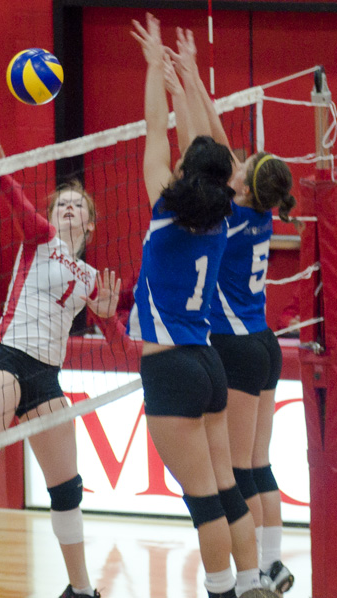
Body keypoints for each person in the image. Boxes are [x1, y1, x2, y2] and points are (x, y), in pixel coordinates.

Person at [0, 123, 119, 598]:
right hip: (8, 357)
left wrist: (111, 320)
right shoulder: (42, 240)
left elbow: (120, 347)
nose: (69, 209)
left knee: (67, 488)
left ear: (91, 224)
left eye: (79, 207)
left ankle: (81, 589)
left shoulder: (94, 278)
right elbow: (21, 207)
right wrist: (0, 168)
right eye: (62, 205)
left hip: (46, 378)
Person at [129, 15, 266, 598]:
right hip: (207, 364)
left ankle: (222, 592)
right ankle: (253, 581)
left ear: (186, 172)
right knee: (227, 486)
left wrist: (156, 69)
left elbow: (158, 134)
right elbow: (200, 145)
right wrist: (179, 78)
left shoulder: (166, 208)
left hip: (171, 368)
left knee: (204, 501)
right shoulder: (225, 216)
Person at [166, 26, 297, 594]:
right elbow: (218, 140)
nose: (236, 165)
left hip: (237, 348)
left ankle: (259, 572)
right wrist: (193, 75)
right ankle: (275, 564)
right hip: (264, 344)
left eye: (243, 168)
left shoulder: (224, 216)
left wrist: (182, 84)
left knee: (241, 471)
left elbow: (206, 145)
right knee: (259, 464)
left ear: (242, 186)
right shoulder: (260, 211)